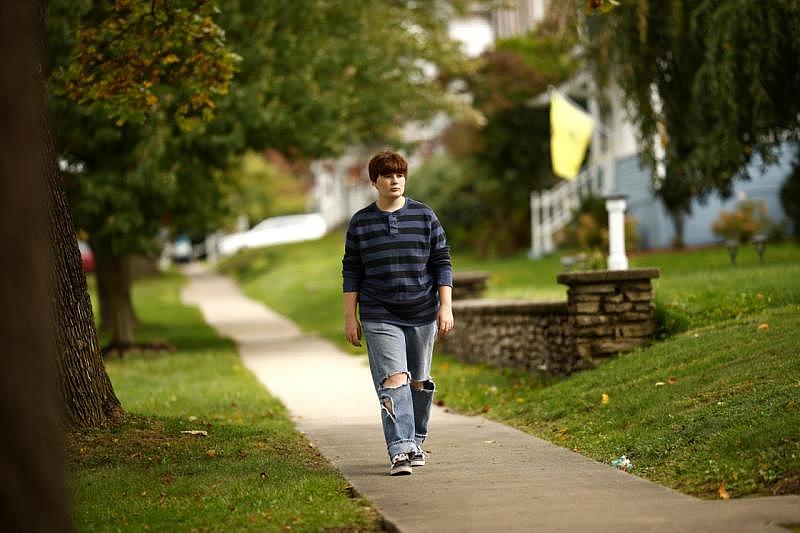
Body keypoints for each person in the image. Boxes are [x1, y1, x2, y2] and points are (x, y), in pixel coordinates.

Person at [342, 149, 454, 476]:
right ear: (374, 181)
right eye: (388, 175)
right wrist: (351, 316)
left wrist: (445, 306)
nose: (395, 180)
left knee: (417, 382)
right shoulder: (361, 223)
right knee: (394, 381)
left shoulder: (424, 216)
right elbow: (352, 270)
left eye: (400, 174)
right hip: (379, 313)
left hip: (422, 312)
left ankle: (415, 440)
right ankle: (400, 450)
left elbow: (441, 262)